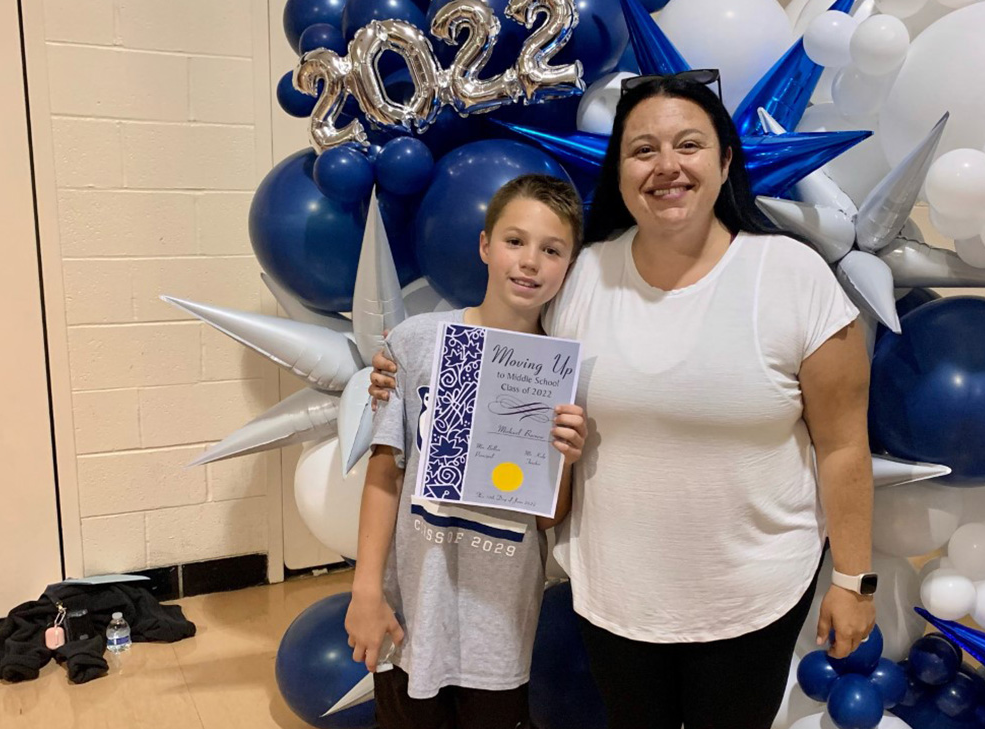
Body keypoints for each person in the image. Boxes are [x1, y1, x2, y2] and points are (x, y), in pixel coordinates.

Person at [371, 71, 876, 729]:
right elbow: (502, 347)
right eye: (643, 150)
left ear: (725, 161)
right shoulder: (582, 274)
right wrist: (403, 365)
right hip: (613, 596)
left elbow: (844, 444)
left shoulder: (792, 276)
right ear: (621, 172)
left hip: (753, 594)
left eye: (688, 145)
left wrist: (853, 579)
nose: (666, 165)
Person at [345, 173, 590, 729]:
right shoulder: (416, 343)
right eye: (515, 241)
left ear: (568, 266)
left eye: (551, 250)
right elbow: (385, 474)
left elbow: (547, 516)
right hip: (410, 610)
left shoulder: (560, 376)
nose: (530, 262)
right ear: (485, 245)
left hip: (497, 626)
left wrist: (566, 462)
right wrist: (364, 591)